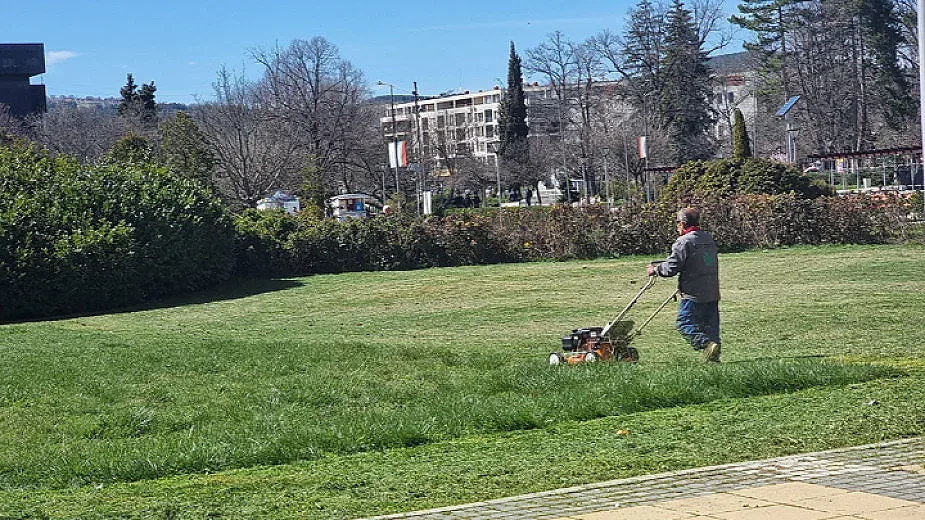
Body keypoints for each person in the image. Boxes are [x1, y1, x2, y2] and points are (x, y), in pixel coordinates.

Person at [646, 207, 721, 362]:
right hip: (712, 290)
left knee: (684, 323)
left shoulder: (684, 242)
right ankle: (713, 356)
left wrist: (655, 269)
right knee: (710, 326)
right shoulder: (707, 238)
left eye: (677, 223)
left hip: (693, 293)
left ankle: (705, 344)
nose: (677, 226)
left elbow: (672, 268)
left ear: (682, 223)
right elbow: (705, 261)